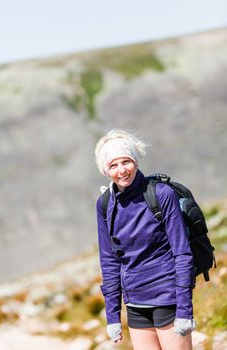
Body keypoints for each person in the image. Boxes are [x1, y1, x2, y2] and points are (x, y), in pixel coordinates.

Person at [94, 129, 196, 350]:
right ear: (105, 170)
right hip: (135, 303)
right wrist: (112, 316)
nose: (122, 170)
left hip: (168, 296)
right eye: (113, 165)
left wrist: (185, 310)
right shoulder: (104, 205)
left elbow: (182, 253)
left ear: (136, 161)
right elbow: (109, 261)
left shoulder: (161, 194)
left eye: (126, 161)